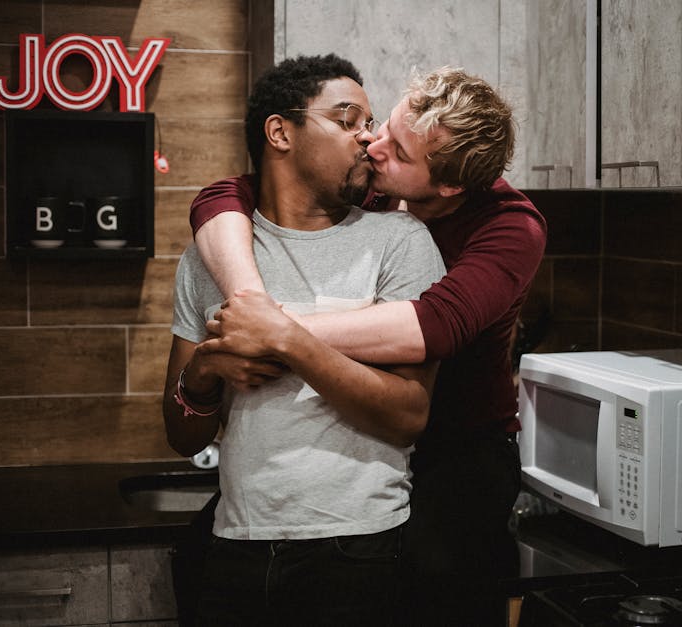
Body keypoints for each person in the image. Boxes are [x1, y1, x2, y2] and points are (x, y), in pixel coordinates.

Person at [190, 66, 548, 625]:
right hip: (376, 443)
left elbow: (433, 326)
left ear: (449, 186)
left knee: (438, 591)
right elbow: (223, 195)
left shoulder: (510, 228)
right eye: (383, 125)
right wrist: (252, 303)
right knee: (203, 551)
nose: (373, 147)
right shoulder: (376, 193)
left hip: (462, 449)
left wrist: (274, 332)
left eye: (399, 151)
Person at [162, 53, 446, 626]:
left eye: (369, 124)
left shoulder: (399, 242)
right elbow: (180, 432)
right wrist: (205, 375)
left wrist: (286, 341)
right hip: (235, 545)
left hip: (360, 548)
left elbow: (409, 415)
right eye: (348, 120)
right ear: (279, 131)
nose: (368, 139)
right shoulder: (213, 256)